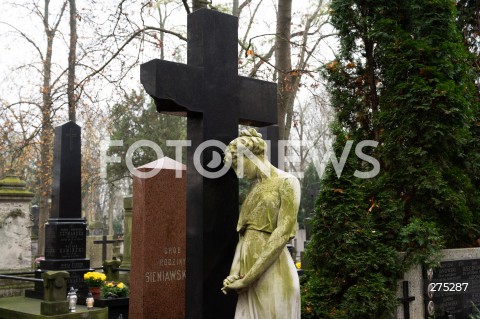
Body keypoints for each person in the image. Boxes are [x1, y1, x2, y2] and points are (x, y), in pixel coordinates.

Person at [222, 128, 301, 319]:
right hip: (248, 275)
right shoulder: (253, 190)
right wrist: (235, 273)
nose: (238, 172)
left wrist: (247, 278)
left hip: (273, 272)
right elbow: (243, 235)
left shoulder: (287, 182)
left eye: (237, 164)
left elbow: (281, 234)